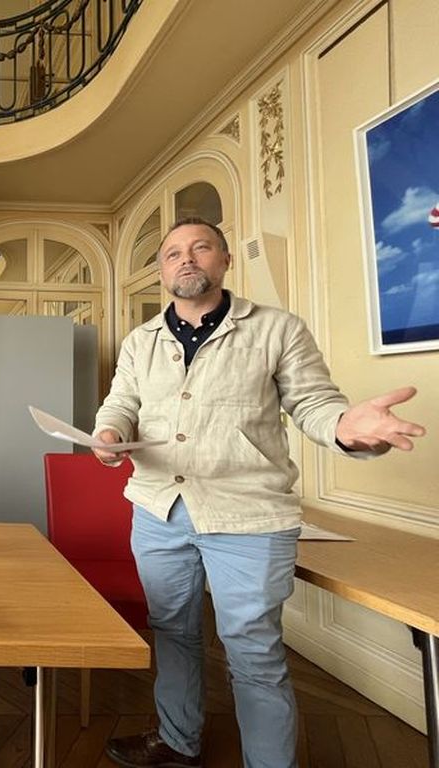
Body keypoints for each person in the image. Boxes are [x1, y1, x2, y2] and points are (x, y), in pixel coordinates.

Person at [93, 218, 426, 768]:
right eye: (173, 253)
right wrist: (108, 434)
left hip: (250, 517)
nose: (186, 258)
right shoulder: (139, 340)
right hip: (158, 510)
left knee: (253, 652)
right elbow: (121, 403)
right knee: (171, 632)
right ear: (161, 272)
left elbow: (314, 403)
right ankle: (177, 739)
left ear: (225, 260)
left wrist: (345, 427)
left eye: (200, 247)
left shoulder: (277, 329)